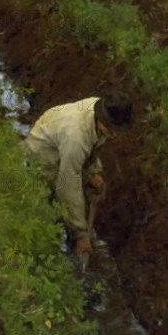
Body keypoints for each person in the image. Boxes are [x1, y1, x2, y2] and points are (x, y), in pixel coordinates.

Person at [24, 91, 133, 257]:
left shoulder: (102, 108)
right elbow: (67, 185)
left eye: (118, 130)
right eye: (111, 130)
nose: (115, 135)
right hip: (43, 152)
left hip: (61, 138)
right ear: (102, 120)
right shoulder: (75, 137)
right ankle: (47, 249)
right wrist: (81, 234)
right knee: (48, 204)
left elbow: (92, 146)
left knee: (76, 196)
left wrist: (91, 172)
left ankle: (73, 235)